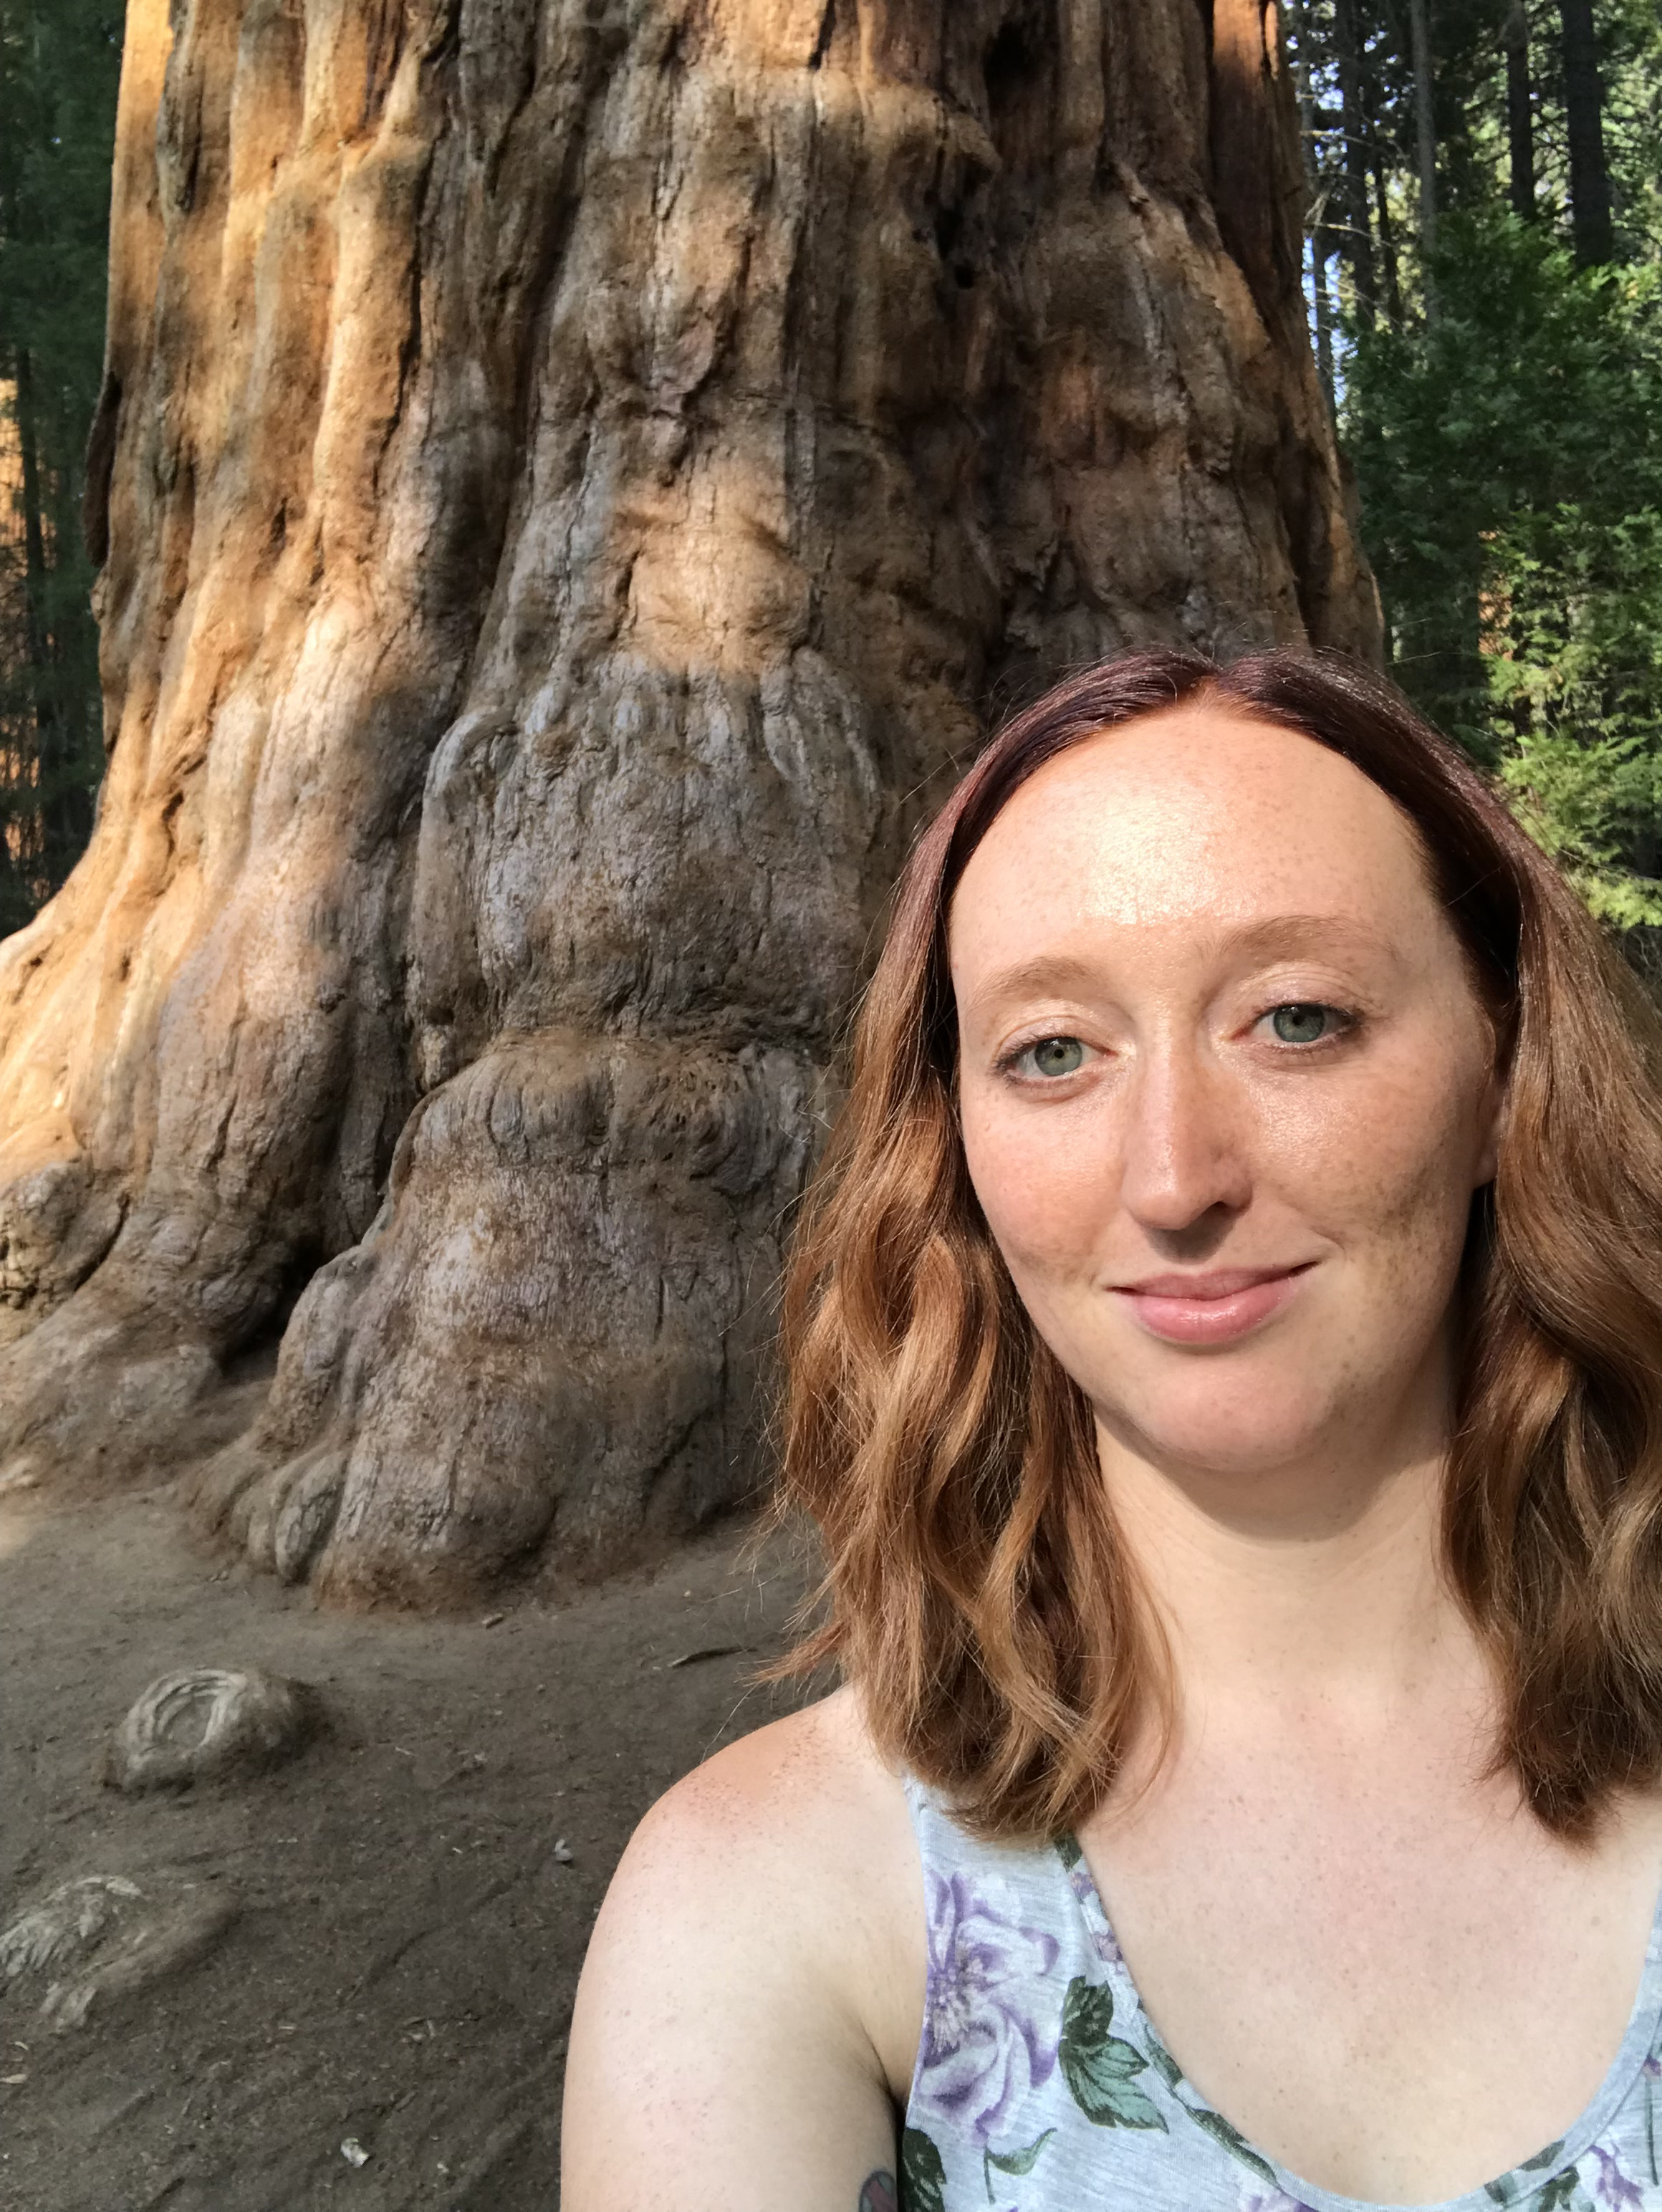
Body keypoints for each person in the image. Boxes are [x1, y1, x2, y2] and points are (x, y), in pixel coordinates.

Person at [560, 648, 1662, 2212]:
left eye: (1295, 1017)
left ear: (1499, 1070)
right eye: (1053, 1050)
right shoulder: (768, 1901)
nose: (1172, 1177)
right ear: (957, 1151)